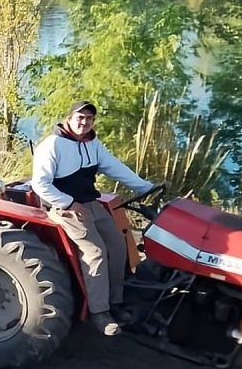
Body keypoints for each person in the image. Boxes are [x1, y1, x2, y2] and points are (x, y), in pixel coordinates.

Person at [31, 100, 154, 337]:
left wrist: (146, 187)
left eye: (89, 119)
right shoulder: (53, 145)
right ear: (68, 118)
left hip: (90, 203)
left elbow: (114, 167)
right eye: (80, 118)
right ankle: (100, 313)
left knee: (118, 247)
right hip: (64, 207)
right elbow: (40, 185)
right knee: (95, 252)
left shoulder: (92, 143)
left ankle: (115, 301)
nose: (84, 123)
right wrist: (68, 202)